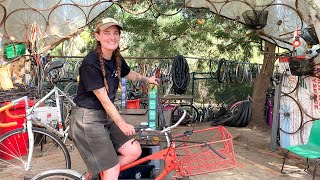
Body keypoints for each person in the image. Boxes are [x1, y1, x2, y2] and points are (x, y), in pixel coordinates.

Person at [70, 17, 158, 179]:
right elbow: (104, 99)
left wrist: (147, 79)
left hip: (104, 115)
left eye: (115, 33)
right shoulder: (90, 63)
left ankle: (102, 172)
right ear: (97, 36)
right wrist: (122, 123)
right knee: (112, 169)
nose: (112, 37)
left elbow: (129, 74)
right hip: (88, 119)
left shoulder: (116, 58)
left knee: (134, 151)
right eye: (107, 33)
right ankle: (107, 171)